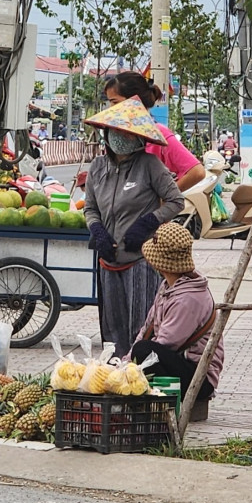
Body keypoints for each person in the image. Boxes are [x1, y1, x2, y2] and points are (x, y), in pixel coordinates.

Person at [83, 96, 185, 356]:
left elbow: (175, 201)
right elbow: (90, 207)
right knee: (112, 333)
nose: (121, 138)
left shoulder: (150, 166)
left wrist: (147, 223)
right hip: (108, 261)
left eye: (127, 134)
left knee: (141, 327)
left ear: (140, 139)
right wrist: (97, 230)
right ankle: (115, 376)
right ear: (107, 135)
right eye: (116, 132)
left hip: (140, 260)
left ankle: (139, 375)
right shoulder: (97, 168)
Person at [129, 222, 223, 421]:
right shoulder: (168, 287)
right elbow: (147, 328)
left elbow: (166, 343)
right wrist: (122, 363)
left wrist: (130, 367)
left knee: (144, 352)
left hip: (199, 377)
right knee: (140, 348)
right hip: (179, 362)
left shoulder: (187, 299)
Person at [104, 72, 206, 192]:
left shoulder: (159, 134)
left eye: (115, 102)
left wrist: (165, 197)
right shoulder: (116, 134)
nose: (111, 108)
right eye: (110, 102)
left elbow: (197, 172)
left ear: (135, 101)